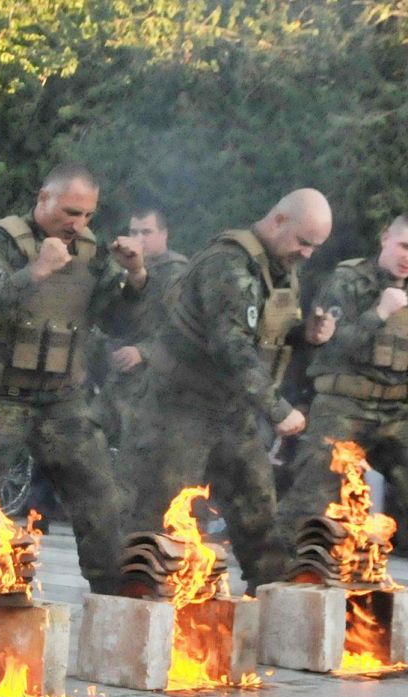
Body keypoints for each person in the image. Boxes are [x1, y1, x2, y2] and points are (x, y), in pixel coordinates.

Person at [0, 165, 145, 593]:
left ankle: (117, 598)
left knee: (102, 501)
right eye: (70, 211)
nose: (78, 223)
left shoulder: (90, 253)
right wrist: (36, 273)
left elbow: (119, 321)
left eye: (87, 215)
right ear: (43, 197)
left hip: (62, 399)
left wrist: (136, 276)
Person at [125, 189, 331, 590]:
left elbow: (266, 335)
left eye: (314, 247)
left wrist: (306, 335)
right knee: (156, 534)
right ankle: (140, 618)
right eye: (303, 242)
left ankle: (269, 619)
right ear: (278, 222)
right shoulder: (229, 263)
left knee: (261, 525)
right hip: (178, 411)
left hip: (231, 413)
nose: (307, 253)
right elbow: (231, 348)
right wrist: (278, 409)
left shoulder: (279, 267)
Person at [276, 215, 408, 555]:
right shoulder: (348, 282)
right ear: (385, 239)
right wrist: (378, 312)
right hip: (344, 406)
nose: (407, 257)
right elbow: (328, 347)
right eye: (404, 246)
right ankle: (275, 569)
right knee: (308, 500)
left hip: (398, 411)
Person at [95, 206, 189, 450]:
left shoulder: (176, 273)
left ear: (164, 234)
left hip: (152, 381)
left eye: (146, 232)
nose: (138, 239)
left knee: (135, 449)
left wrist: (143, 352)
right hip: (113, 376)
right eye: (133, 232)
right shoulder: (121, 267)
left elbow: (181, 330)